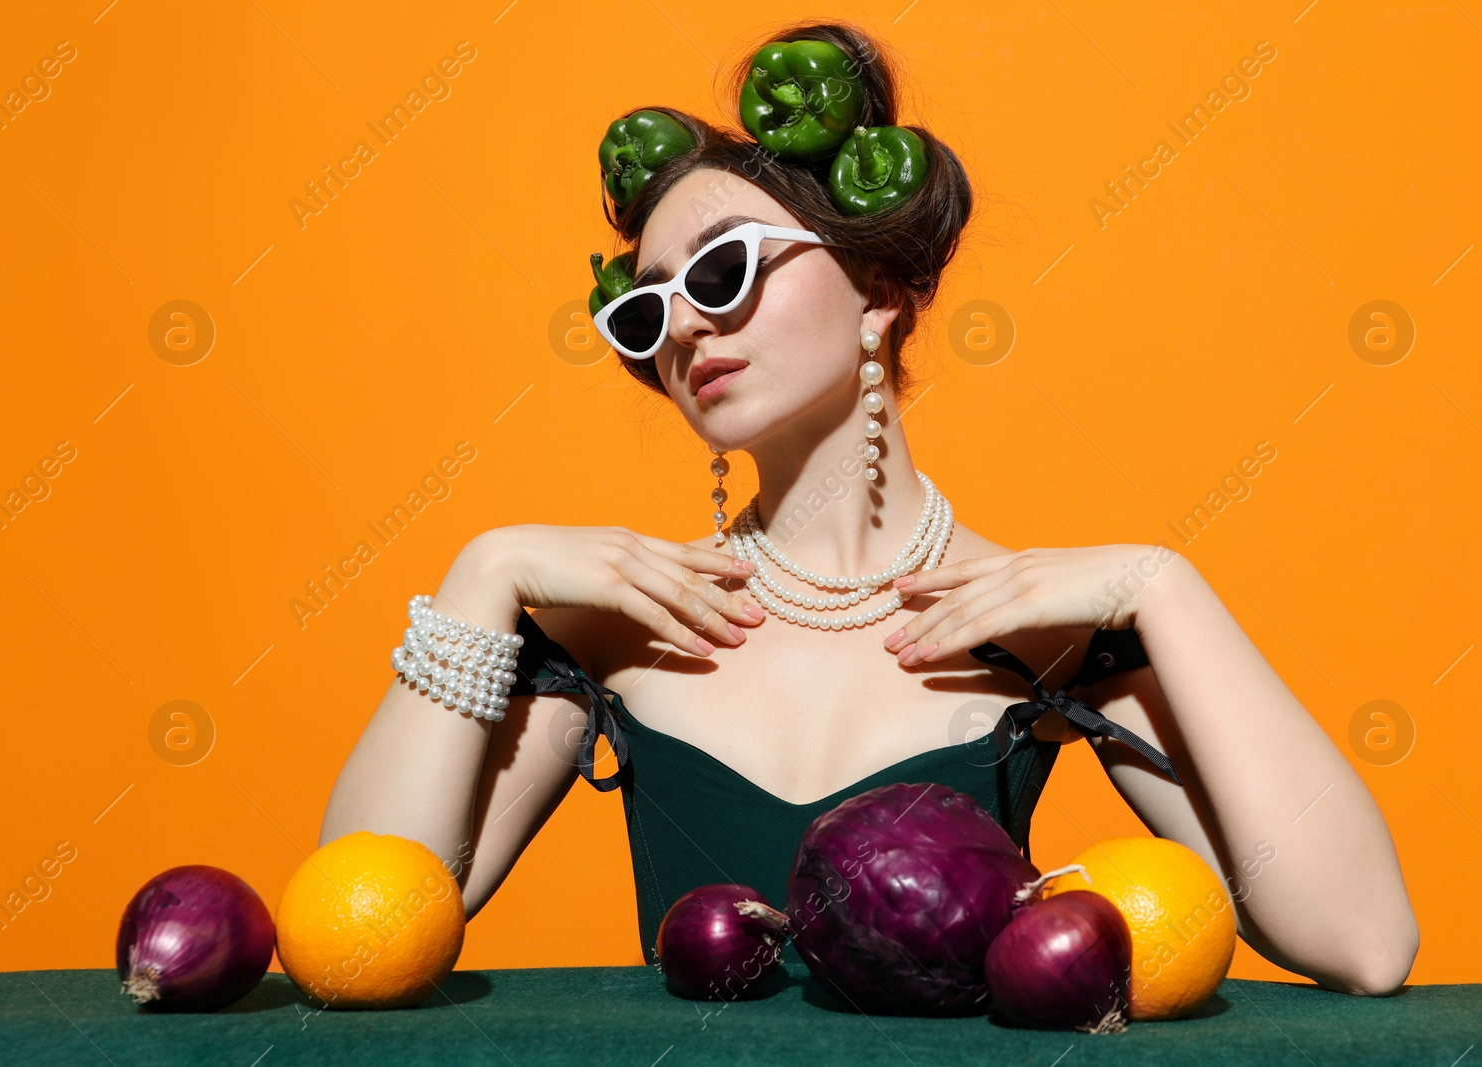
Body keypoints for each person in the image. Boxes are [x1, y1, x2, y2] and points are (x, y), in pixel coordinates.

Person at [320, 20, 1417, 994]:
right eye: (650, 307)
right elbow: (358, 937)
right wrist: (482, 572)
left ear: (879, 294)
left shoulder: (1044, 632)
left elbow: (1362, 941)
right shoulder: (611, 629)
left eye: (722, 273)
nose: (688, 328)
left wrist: (1164, 590)